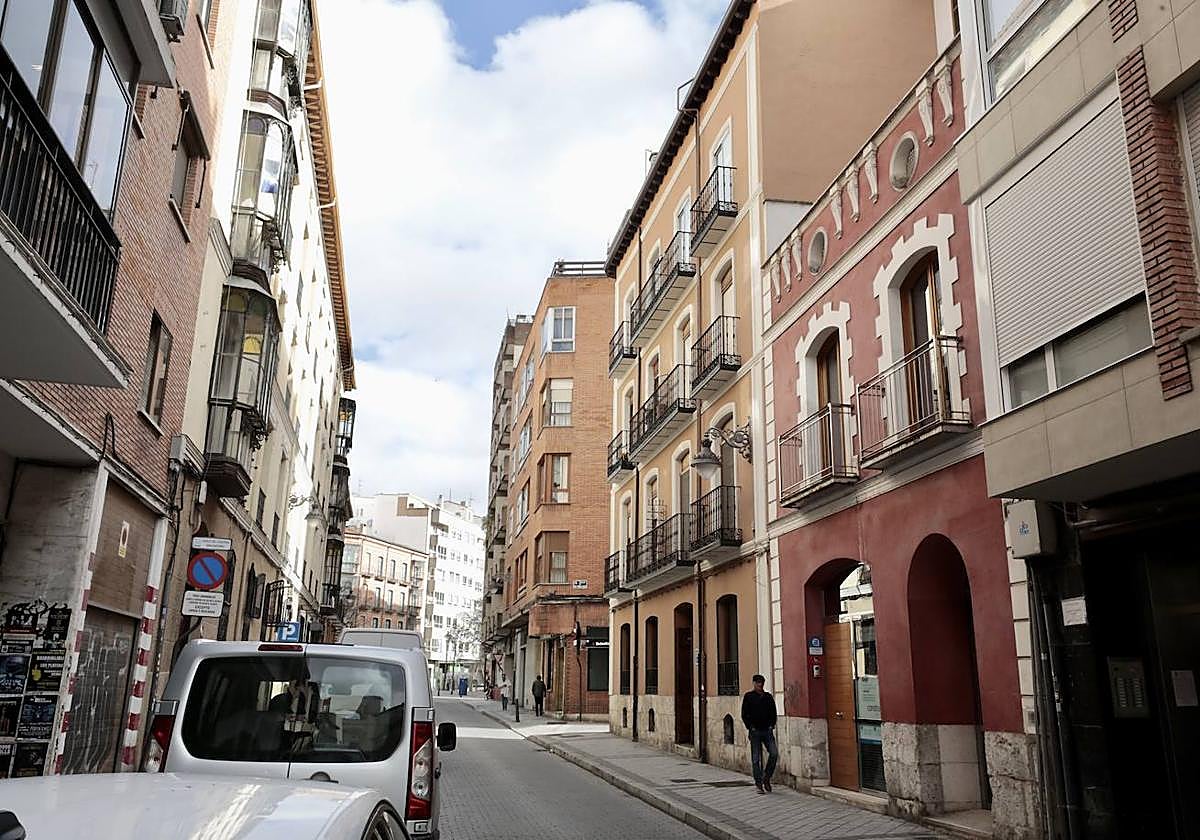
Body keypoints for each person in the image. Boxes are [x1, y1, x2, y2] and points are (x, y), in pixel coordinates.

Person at [741, 674, 779, 794]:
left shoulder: (768, 697)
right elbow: (744, 714)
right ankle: (758, 784)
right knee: (756, 759)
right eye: (757, 683)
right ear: (754, 683)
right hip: (755, 731)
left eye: (761, 683)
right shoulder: (749, 696)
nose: (760, 685)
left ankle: (766, 777)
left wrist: (771, 725)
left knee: (774, 753)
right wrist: (750, 727)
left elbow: (773, 712)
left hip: (767, 731)